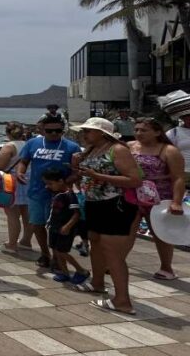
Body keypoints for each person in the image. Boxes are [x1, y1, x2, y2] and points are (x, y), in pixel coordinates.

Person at [69, 117, 141, 315]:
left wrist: (98, 176)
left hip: (115, 204)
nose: (84, 135)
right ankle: (97, 282)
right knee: (96, 243)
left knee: (113, 253)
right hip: (95, 203)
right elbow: (86, 175)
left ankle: (122, 300)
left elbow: (134, 180)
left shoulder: (117, 150)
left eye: (88, 131)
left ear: (103, 133)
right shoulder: (91, 150)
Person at [16, 114, 82, 269]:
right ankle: (45, 254)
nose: (53, 134)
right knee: (37, 225)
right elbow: (24, 161)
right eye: (49, 131)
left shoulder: (72, 147)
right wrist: (20, 172)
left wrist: (63, 184)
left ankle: (58, 258)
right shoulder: (33, 143)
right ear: (42, 130)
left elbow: (77, 171)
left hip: (59, 197)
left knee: (56, 228)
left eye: (58, 131)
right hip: (36, 193)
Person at [128, 118, 186, 280]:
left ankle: (166, 267)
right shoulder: (129, 147)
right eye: (137, 129)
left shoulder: (169, 151)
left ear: (157, 132)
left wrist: (176, 202)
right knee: (126, 231)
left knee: (160, 233)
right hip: (132, 195)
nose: (139, 133)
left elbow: (178, 178)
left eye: (143, 130)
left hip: (159, 199)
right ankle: (117, 262)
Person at [43, 169, 90, 285]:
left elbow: (77, 213)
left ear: (60, 181)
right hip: (55, 227)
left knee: (62, 251)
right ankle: (65, 273)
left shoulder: (69, 195)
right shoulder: (56, 193)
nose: (47, 186)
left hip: (65, 229)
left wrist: (68, 226)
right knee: (56, 250)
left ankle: (81, 271)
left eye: (50, 183)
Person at [0, 122, 31, 253]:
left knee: (12, 214)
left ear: (8, 133)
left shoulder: (9, 147)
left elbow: (0, 166)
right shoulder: (28, 145)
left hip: (12, 181)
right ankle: (26, 241)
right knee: (27, 213)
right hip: (27, 179)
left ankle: (12, 244)